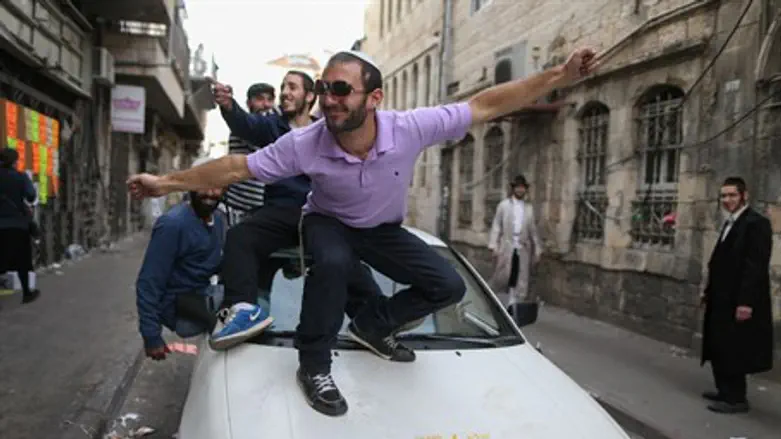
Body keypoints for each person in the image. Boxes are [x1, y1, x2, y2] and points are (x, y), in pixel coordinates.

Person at [126, 47, 599, 416]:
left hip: (379, 230)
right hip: (327, 221)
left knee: (448, 284)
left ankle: (374, 324)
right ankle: (314, 367)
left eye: (341, 89)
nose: (329, 99)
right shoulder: (306, 143)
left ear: (374, 99)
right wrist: (164, 183)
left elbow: (483, 106)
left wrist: (558, 75)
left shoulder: (411, 128)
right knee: (331, 262)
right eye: (322, 88)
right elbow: (235, 167)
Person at [206, 70, 387, 351]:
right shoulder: (273, 127)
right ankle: (243, 310)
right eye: (283, 87)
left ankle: (377, 319)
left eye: (292, 87)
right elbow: (245, 124)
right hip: (281, 211)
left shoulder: (328, 129)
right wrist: (228, 105)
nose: (285, 93)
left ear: (311, 96)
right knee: (240, 237)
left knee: (340, 259)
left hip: (322, 213)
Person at [136, 156, 231, 361]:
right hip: (179, 305)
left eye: (217, 187)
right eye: (203, 185)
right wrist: (151, 336)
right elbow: (149, 281)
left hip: (204, 295)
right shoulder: (173, 224)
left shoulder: (221, 220)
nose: (210, 193)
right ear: (191, 186)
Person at [700, 176, 774, 414]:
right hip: (722, 298)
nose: (727, 200)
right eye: (723, 196)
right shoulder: (731, 222)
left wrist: (746, 302)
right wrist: (708, 291)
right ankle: (724, 390)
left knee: (734, 347)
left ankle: (735, 398)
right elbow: (721, 261)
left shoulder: (756, 223)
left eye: (732, 195)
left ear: (744, 195)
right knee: (720, 344)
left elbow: (755, 266)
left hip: (738, 299)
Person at [487, 174, 542, 315]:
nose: (520, 190)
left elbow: (533, 230)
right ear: (513, 189)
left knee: (520, 276)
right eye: (518, 187)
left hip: (523, 247)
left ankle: (513, 304)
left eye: (522, 188)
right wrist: (494, 245)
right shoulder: (504, 206)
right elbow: (497, 225)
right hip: (507, 246)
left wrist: (537, 249)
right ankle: (495, 302)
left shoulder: (528, 208)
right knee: (504, 275)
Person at [223, 82, 276, 225]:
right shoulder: (245, 126)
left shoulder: (273, 128)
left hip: (261, 211)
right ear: (249, 103)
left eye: (270, 99)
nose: (266, 104)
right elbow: (240, 120)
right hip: (235, 208)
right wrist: (228, 105)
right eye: (260, 99)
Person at [0, 148, 39, 304]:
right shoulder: (20, 177)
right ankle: (27, 293)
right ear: (15, 161)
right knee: (22, 260)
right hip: (17, 225)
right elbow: (31, 196)